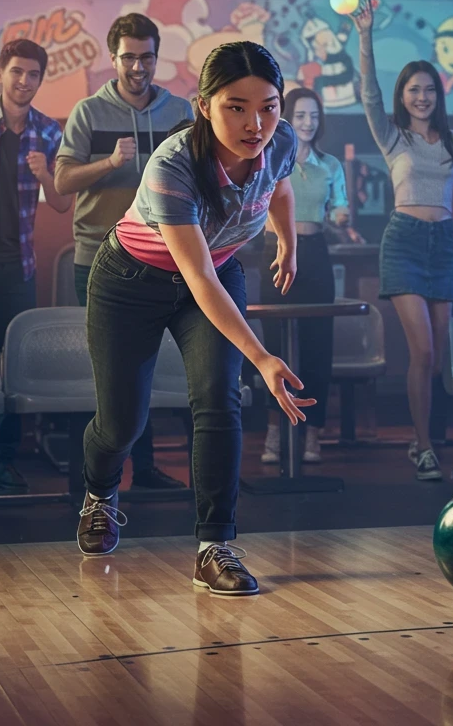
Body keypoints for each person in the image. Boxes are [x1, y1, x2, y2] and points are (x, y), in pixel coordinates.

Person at [76, 41, 309, 596]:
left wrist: (288, 242)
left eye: (269, 106)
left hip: (216, 270)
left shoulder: (280, 140)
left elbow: (279, 188)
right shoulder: (174, 164)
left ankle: (215, 546)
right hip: (131, 281)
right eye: (236, 106)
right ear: (205, 105)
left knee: (218, 398)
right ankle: (100, 493)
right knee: (122, 423)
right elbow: (195, 275)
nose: (256, 123)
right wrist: (262, 355)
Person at [55, 13, 192, 491]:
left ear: (158, 57)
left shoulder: (180, 110)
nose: (139, 66)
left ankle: (149, 470)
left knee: (149, 370)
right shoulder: (88, 112)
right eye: (129, 57)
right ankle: (94, 482)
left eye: (147, 56)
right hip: (98, 259)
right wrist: (109, 163)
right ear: (113, 59)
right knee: (107, 374)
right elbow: (62, 180)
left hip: (163, 260)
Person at [354, 0, 453, 482]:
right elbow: (367, 95)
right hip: (404, 241)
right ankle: (424, 446)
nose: (422, 97)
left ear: (438, 94)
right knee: (423, 352)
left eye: (429, 89)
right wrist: (365, 38)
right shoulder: (393, 138)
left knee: (438, 355)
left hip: (444, 245)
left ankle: (420, 437)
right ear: (402, 96)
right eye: (413, 90)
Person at [0, 39, 72, 493]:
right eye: (16, 72)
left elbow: (64, 204)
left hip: (17, 265)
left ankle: (3, 463)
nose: (24, 81)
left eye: (33, 75)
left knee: (12, 367)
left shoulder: (48, 133)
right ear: (1, 73)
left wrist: (45, 173)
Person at [259, 88, 350, 466]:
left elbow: (341, 207)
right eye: (300, 116)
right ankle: (275, 431)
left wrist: (342, 218)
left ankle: (313, 433)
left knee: (317, 348)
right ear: (285, 118)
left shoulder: (330, 165)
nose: (308, 122)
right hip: (274, 253)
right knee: (273, 347)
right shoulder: (266, 158)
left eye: (313, 116)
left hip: (314, 255)